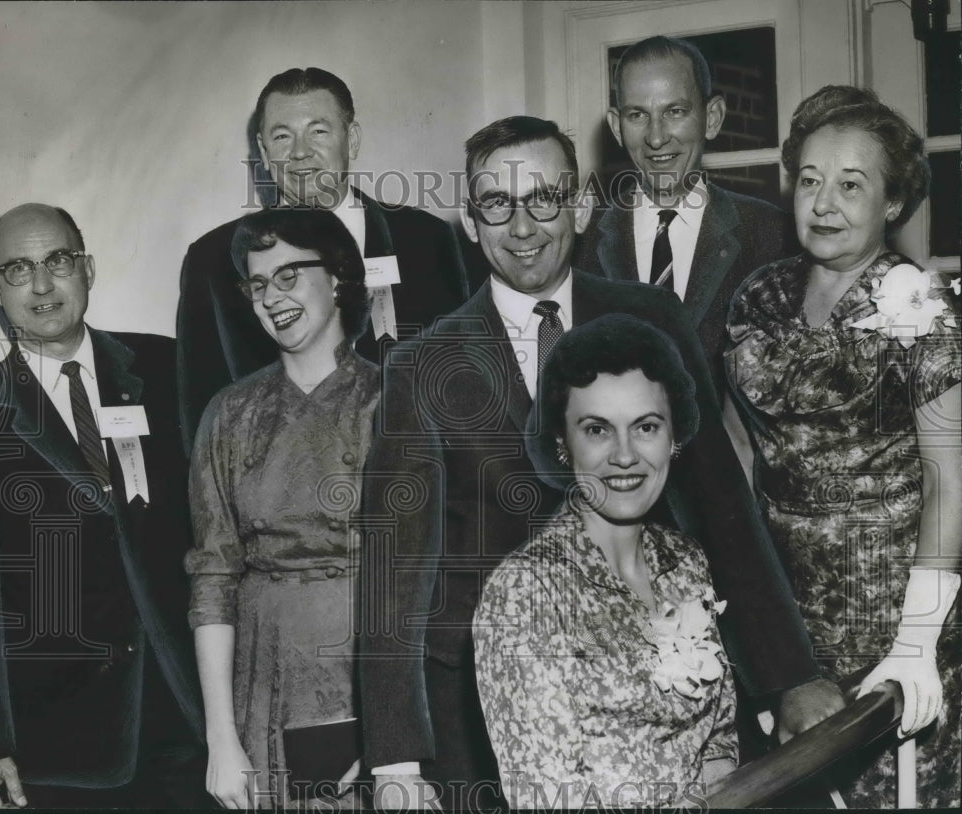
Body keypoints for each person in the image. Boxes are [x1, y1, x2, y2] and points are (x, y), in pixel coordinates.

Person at [358, 115, 841, 812]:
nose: (522, 227)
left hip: (651, 701)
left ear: (580, 206)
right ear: (470, 220)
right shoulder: (420, 364)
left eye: (544, 199)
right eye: (498, 203)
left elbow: (719, 502)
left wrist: (787, 675)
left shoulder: (651, 318)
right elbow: (391, 572)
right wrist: (396, 763)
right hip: (482, 715)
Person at [724, 85, 961, 807]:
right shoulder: (757, 299)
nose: (824, 204)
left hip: (899, 628)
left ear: (893, 204)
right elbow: (739, 458)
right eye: (810, 180)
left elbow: (950, 481)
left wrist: (917, 642)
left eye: (851, 186)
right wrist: (757, 638)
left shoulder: (924, 307)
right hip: (786, 630)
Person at [0, 204, 206, 809]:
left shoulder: (170, 370)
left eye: (57, 261)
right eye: (18, 269)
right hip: (55, 748)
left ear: (88, 269)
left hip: (192, 720)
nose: (42, 285)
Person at [474, 314, 737, 809]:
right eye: (597, 429)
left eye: (646, 427)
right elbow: (547, 798)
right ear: (562, 441)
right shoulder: (527, 591)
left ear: (673, 437)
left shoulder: (685, 561)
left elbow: (718, 744)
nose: (624, 455)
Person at [185, 208, 379, 809]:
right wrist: (222, 739)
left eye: (290, 274)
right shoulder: (230, 414)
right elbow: (214, 579)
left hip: (372, 676)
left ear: (340, 277)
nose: (272, 297)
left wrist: (392, 736)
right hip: (265, 685)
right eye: (259, 284)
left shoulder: (393, 401)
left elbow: (429, 581)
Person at [176, 67, 468, 456]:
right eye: (282, 136)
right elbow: (201, 415)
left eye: (318, 131)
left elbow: (460, 383)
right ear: (263, 152)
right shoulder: (213, 259)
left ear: (352, 139)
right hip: (278, 500)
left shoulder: (424, 239)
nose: (299, 152)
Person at [574, 35, 796, 397]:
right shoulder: (581, 242)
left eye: (675, 111)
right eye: (637, 115)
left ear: (712, 118)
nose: (657, 137)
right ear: (617, 127)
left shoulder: (773, 235)